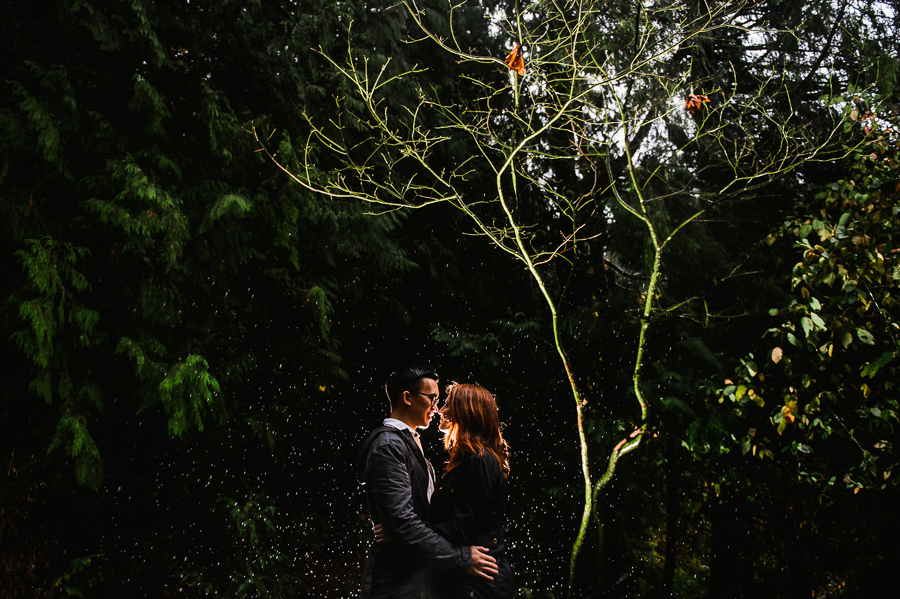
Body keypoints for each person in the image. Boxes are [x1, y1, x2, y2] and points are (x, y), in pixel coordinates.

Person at [356, 366, 498, 599]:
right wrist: (460, 558)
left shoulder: (409, 445)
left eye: (439, 400)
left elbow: (414, 522)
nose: (437, 407)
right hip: (397, 581)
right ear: (407, 398)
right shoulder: (389, 446)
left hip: (416, 576)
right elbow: (403, 524)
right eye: (432, 398)